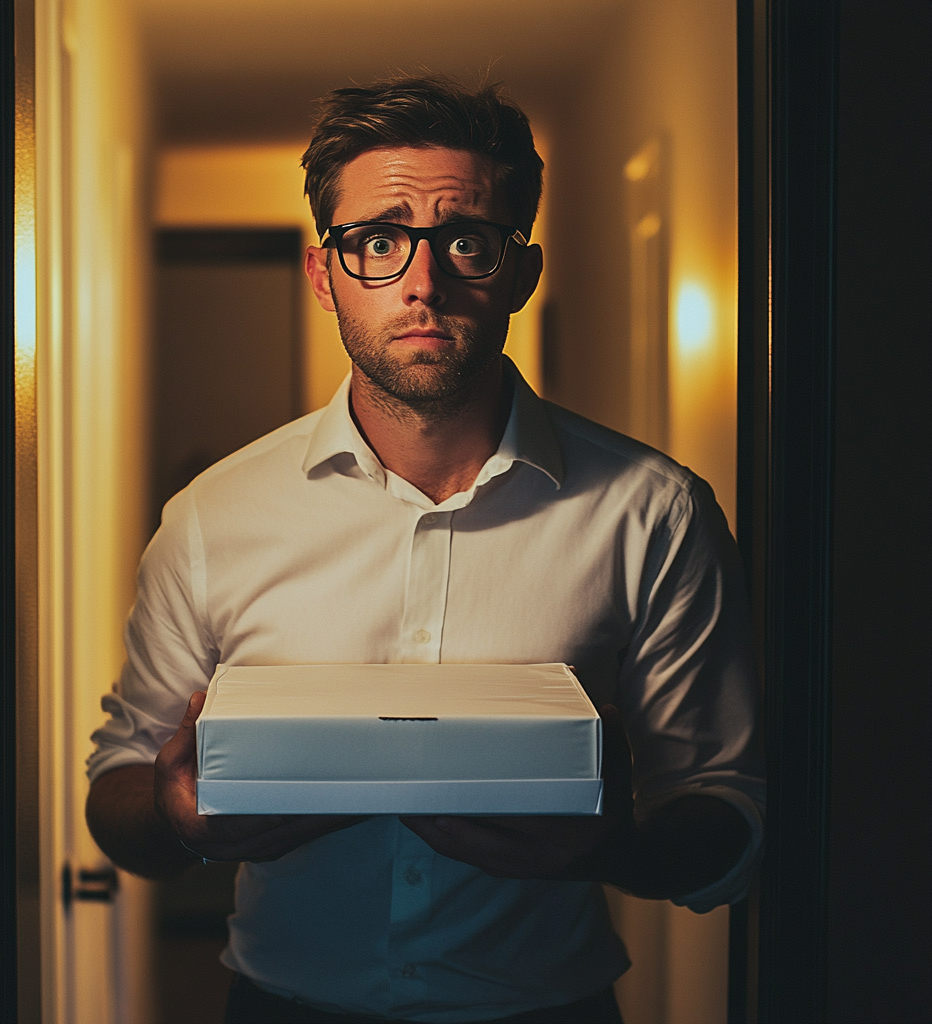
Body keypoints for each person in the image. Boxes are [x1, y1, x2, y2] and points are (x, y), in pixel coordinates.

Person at [86, 75, 764, 1024]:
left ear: (521, 273)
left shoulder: (654, 516)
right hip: (280, 1004)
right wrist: (174, 815)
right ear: (325, 275)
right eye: (377, 240)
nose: (422, 282)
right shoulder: (211, 518)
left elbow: (724, 805)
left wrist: (603, 849)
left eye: (466, 241)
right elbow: (119, 784)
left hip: (546, 1009)